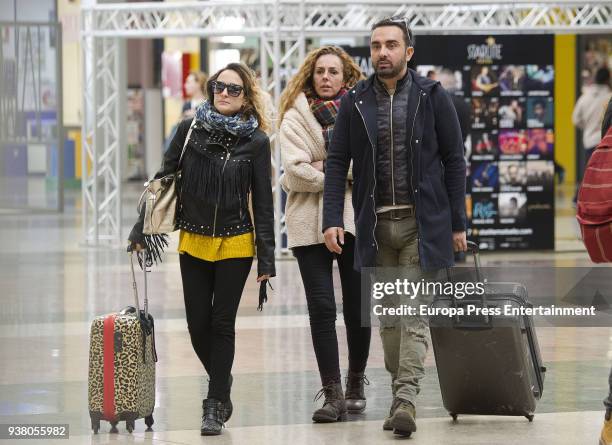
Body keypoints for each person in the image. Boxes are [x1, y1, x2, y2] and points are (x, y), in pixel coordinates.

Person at [322, 16, 467, 438]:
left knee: (414, 316)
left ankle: (405, 399)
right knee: (388, 320)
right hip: (375, 228)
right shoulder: (356, 100)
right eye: (375, 45)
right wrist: (332, 217)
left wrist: (458, 222)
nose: (382, 52)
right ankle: (398, 392)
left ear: (409, 51)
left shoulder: (433, 96)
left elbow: (455, 161)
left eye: (390, 44)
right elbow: (336, 163)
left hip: (422, 225)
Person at [128, 63, 275, 436]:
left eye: (233, 89)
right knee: (197, 324)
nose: (224, 93)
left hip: (237, 241)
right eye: (218, 86)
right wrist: (140, 227)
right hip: (193, 238)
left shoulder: (256, 142)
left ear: (246, 98)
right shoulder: (189, 128)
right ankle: (223, 384)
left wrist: (267, 256)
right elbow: (162, 178)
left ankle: (213, 405)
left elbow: (263, 200)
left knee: (222, 323)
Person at [278, 46, 371, 423]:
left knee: (357, 308)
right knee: (321, 308)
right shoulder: (293, 117)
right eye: (320, 72)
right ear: (311, 76)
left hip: (354, 220)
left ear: (346, 76)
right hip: (307, 225)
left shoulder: (361, 112)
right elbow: (293, 172)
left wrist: (322, 166)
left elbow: (369, 166)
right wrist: (341, 170)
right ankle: (332, 392)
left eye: (334, 71)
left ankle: (356, 382)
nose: (327, 78)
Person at [572, 67, 611, 202]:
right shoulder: (609, 96)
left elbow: (576, 119)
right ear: (607, 79)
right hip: (606, 141)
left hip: (589, 140)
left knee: (589, 171)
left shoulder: (585, 97)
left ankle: (579, 197)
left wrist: (587, 127)